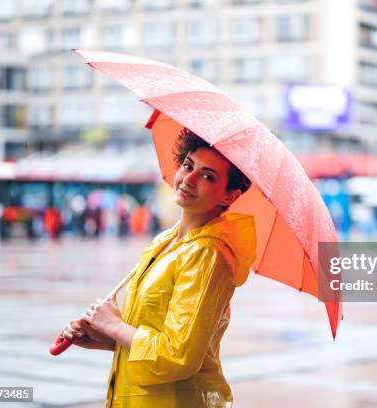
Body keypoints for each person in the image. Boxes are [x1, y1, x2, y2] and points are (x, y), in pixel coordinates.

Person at [62, 128, 256, 407]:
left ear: (229, 196)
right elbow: (151, 335)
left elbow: (177, 356)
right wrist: (103, 336)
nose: (189, 179)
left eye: (207, 176)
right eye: (188, 165)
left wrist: (115, 326)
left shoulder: (207, 255)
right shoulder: (165, 242)